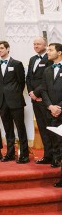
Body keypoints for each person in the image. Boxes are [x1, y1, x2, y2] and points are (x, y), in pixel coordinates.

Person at [0, 41, 29, 163]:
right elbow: (0, 82)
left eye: (2, 48)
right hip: (2, 101)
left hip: (15, 100)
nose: (0, 50)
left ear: (8, 49)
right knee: (7, 128)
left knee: (20, 128)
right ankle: (10, 153)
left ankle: (24, 154)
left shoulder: (17, 64)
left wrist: (13, 93)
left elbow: (21, 82)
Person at [26, 37, 53, 164]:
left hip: (45, 98)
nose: (36, 46)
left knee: (50, 128)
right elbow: (29, 78)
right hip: (34, 98)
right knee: (42, 127)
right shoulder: (32, 59)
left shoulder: (49, 58)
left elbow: (46, 80)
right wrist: (31, 93)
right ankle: (47, 155)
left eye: (38, 44)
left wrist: (37, 93)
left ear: (45, 45)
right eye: (34, 44)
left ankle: (55, 156)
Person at [40, 42, 62, 170]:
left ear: (59, 53)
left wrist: (59, 107)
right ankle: (56, 160)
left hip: (60, 109)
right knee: (53, 138)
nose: (47, 52)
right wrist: (50, 106)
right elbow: (43, 90)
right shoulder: (47, 70)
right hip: (51, 111)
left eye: (50, 50)